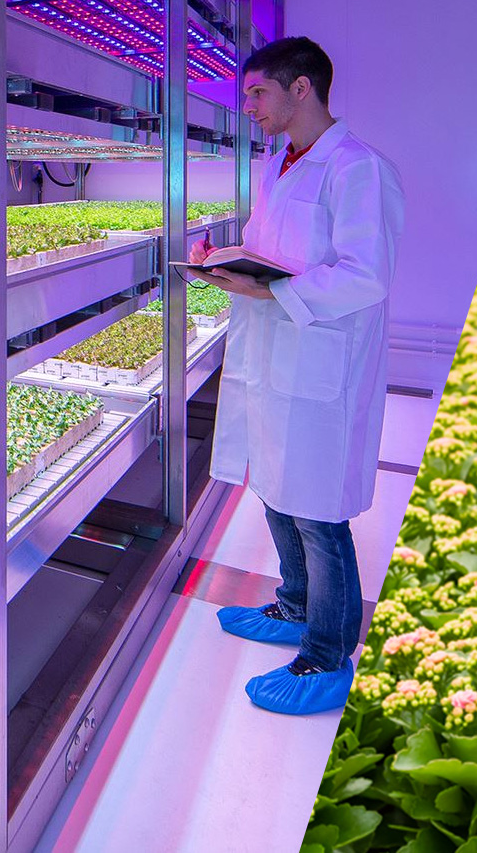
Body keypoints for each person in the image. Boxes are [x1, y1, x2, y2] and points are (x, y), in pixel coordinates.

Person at [193, 36, 405, 715]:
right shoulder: (278, 164)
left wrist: (271, 293)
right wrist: (225, 258)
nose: (248, 106)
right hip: (273, 360)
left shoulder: (358, 169)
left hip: (321, 368)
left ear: (302, 88)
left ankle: (325, 654)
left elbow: (365, 274)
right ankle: (291, 606)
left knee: (319, 513)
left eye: (257, 93)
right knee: (278, 491)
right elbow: (272, 250)